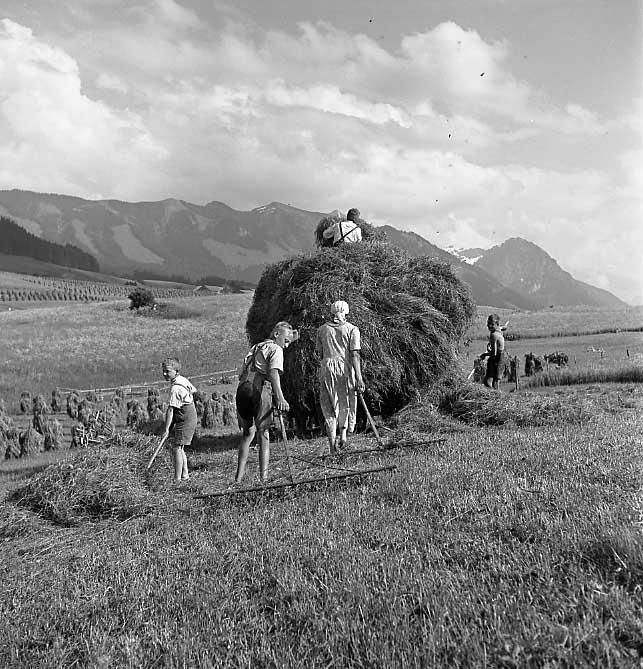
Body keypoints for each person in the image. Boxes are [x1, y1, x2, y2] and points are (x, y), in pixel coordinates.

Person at [234, 321, 294, 484]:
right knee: (263, 433)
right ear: (276, 334)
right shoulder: (276, 349)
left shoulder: (256, 347)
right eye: (286, 339)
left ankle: (238, 479)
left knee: (248, 433)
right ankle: (264, 479)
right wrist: (280, 397)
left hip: (242, 389)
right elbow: (273, 373)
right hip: (259, 390)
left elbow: (243, 372)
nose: (287, 344)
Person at [316, 300, 365, 455]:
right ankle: (343, 436)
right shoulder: (352, 329)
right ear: (346, 311)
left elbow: (319, 352)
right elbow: (355, 354)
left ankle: (332, 446)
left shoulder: (322, 330)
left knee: (329, 404)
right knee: (345, 401)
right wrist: (359, 377)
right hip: (344, 368)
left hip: (326, 368)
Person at [161, 358, 197, 482]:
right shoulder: (182, 380)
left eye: (167, 371)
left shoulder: (175, 388)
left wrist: (166, 429)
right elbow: (193, 390)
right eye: (163, 371)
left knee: (176, 448)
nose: (165, 374)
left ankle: (177, 478)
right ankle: (185, 475)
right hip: (188, 417)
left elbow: (170, 410)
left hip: (185, 419)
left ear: (176, 371)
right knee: (180, 447)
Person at [480, 314, 505, 390]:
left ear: (497, 324)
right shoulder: (498, 331)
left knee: (490, 382)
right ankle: (495, 395)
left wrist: (485, 354)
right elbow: (501, 328)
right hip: (501, 357)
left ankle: (496, 396)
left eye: (492, 324)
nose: (489, 326)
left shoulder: (494, 335)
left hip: (497, 358)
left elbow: (494, 353)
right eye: (488, 323)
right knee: (494, 381)